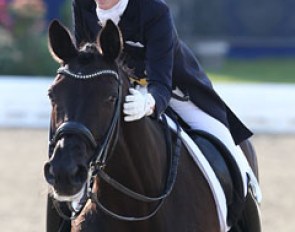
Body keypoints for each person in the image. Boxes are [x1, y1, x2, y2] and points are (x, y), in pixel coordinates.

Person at [72, 0, 259, 197]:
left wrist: (147, 104)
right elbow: (84, 61)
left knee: (232, 155)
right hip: (117, 91)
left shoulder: (154, 10)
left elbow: (161, 83)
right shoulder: (82, 5)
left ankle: (246, 209)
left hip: (173, 88)